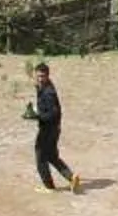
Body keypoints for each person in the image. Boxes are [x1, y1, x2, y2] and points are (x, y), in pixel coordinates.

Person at [23, 62, 78, 192]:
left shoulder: (48, 92)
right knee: (52, 156)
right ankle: (71, 177)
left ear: (48, 76)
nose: (40, 79)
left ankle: (49, 187)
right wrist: (34, 112)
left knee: (40, 156)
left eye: (43, 76)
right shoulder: (42, 87)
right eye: (38, 76)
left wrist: (37, 116)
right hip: (53, 128)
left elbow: (54, 113)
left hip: (48, 129)